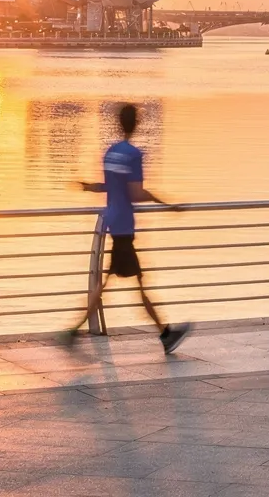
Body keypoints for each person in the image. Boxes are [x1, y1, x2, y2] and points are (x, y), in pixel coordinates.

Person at [62, 103, 191, 353]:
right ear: (137, 124)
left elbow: (112, 186)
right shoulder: (133, 154)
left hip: (114, 222)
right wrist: (167, 205)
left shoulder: (110, 153)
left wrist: (90, 187)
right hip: (124, 227)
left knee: (118, 281)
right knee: (133, 284)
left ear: (119, 123)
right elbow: (136, 192)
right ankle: (74, 331)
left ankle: (75, 331)